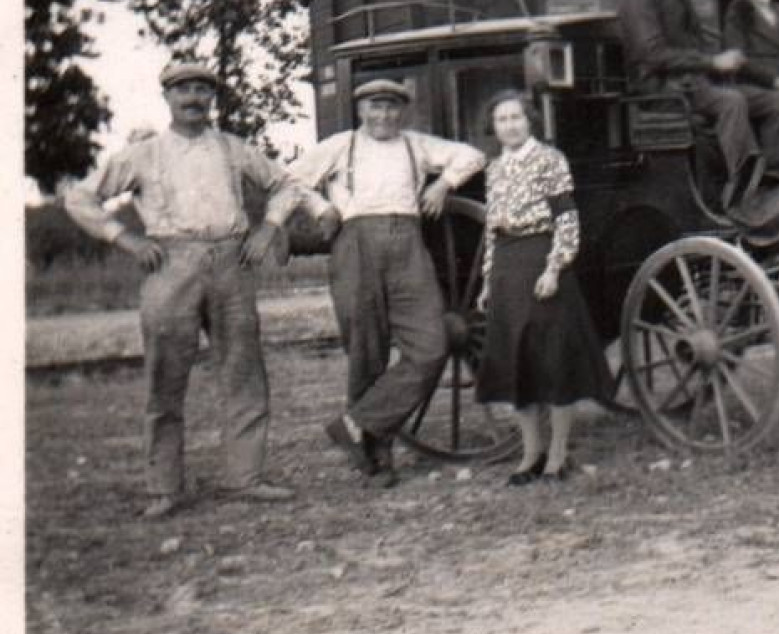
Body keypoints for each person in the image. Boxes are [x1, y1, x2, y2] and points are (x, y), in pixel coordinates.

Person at [62, 61, 300, 517]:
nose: (193, 98)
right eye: (183, 90)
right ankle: (165, 488)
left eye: (202, 90)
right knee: (165, 378)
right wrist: (125, 238)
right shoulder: (144, 154)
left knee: (244, 371)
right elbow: (80, 197)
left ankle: (244, 477)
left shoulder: (233, 148)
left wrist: (269, 228)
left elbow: (287, 184)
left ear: (213, 98)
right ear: (167, 97)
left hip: (232, 262)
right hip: (171, 264)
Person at [287, 78, 486, 488]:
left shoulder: (416, 145)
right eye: (375, 107)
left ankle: (356, 423)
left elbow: (473, 155)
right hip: (355, 241)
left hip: (409, 243)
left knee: (431, 346)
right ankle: (376, 455)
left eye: (392, 107)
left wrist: (444, 182)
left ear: (403, 111)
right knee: (367, 349)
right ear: (361, 110)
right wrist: (322, 207)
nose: (383, 115)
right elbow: (290, 180)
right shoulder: (341, 145)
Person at [616, 0, 779, 210]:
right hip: (663, 90)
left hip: (695, 85)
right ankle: (741, 188)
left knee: (778, 103)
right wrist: (712, 63)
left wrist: (722, 61)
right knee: (731, 103)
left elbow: (696, 45)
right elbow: (652, 54)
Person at [474, 91, 613, 484]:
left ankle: (557, 455)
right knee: (517, 360)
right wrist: (487, 279)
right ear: (494, 127)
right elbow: (491, 228)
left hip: (541, 258)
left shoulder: (550, 159)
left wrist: (554, 268)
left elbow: (567, 219)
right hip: (506, 264)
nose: (510, 125)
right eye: (502, 120)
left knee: (552, 358)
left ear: (529, 120)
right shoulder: (494, 168)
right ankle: (529, 454)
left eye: (516, 117)